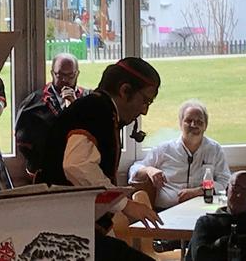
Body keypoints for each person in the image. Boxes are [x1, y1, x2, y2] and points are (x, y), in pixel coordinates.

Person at [42, 57, 163, 261]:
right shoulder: (95, 111)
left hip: (74, 228)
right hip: (64, 231)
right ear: (125, 90)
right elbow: (77, 166)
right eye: (145, 101)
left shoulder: (99, 109)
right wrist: (125, 204)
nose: (144, 110)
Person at [128, 99, 230, 210]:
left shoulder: (214, 149)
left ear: (205, 126)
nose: (194, 125)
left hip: (203, 210)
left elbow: (224, 181)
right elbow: (134, 169)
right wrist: (149, 170)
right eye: (189, 121)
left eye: (199, 122)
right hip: (166, 211)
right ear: (180, 124)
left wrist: (199, 191)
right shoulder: (165, 149)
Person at [15, 53, 90, 182]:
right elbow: (22, 139)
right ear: (52, 73)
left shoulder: (89, 100)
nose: (65, 80)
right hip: (44, 173)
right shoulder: (34, 103)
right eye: (60, 75)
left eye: (70, 75)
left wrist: (74, 106)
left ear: (77, 74)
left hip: (81, 173)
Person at [185, 171, 246, 261]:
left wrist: (222, 242)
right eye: (236, 188)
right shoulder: (207, 223)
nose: (239, 195)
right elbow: (200, 255)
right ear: (226, 190)